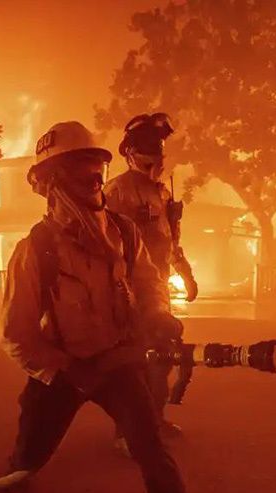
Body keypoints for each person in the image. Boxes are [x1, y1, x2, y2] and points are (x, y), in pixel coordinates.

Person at [0, 120, 213, 493]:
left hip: (116, 364)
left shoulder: (123, 232)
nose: (94, 180)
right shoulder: (36, 249)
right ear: (50, 181)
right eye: (81, 171)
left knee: (154, 454)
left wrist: (158, 316)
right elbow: (16, 336)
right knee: (30, 452)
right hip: (62, 370)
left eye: (97, 170)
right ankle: (12, 481)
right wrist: (67, 371)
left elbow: (149, 282)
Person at [104, 113, 196, 452]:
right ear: (129, 152)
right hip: (128, 293)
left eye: (158, 146)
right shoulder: (116, 192)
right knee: (133, 364)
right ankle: (126, 433)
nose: (155, 153)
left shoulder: (161, 193)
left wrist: (186, 274)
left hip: (158, 292)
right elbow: (104, 244)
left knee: (163, 355)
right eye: (146, 146)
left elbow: (170, 240)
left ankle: (154, 420)